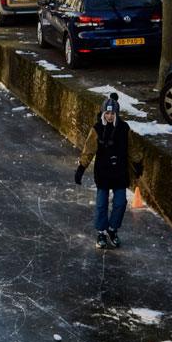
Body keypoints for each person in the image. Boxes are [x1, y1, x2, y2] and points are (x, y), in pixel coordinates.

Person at [74, 94, 143, 249]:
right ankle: (101, 232)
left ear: (116, 114)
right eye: (107, 113)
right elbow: (89, 150)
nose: (110, 116)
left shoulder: (124, 129)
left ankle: (112, 229)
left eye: (113, 113)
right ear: (103, 113)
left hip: (120, 172)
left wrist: (138, 163)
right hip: (103, 173)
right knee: (101, 204)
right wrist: (81, 168)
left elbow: (132, 148)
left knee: (120, 203)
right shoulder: (97, 129)